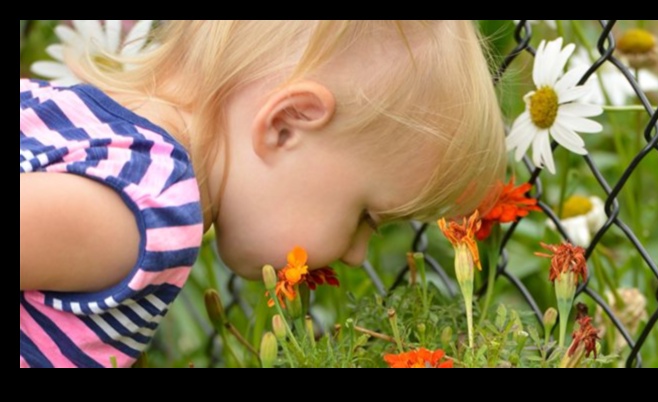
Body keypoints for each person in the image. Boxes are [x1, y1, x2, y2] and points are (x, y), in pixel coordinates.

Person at [20, 20, 505, 368]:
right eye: (365, 216)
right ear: (286, 126)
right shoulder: (146, 206)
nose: (357, 255)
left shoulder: (83, 123)